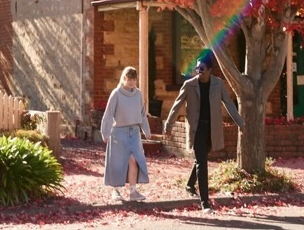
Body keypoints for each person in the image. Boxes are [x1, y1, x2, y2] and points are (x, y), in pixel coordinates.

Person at [163, 50, 244, 212]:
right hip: (197, 129)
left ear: (209, 70)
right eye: (197, 69)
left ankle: (189, 184)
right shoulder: (189, 85)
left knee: (201, 158)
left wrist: (241, 123)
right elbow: (176, 106)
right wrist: (168, 125)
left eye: (201, 69)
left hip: (211, 129)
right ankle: (205, 203)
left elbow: (228, 104)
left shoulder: (218, 84)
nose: (198, 71)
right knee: (202, 163)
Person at [100, 65, 151, 202]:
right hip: (119, 132)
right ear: (123, 79)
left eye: (134, 80)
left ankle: (133, 192)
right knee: (117, 162)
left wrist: (146, 130)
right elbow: (109, 114)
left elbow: (142, 114)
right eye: (129, 79)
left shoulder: (138, 94)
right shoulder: (116, 94)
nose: (132, 82)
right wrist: (105, 132)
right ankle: (115, 191)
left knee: (134, 159)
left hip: (134, 131)